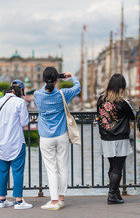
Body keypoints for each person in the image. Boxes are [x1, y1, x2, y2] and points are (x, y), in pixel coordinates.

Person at [34, 67, 81, 210]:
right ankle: (60, 198)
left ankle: (54, 200)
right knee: (63, 166)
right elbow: (77, 88)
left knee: (51, 169)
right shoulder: (63, 94)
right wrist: (71, 76)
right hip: (61, 135)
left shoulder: (37, 94)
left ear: (43, 80)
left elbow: (45, 88)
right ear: (56, 80)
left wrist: (51, 81)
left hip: (46, 137)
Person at [97, 74, 135, 204]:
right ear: (122, 86)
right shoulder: (122, 102)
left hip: (106, 137)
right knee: (118, 168)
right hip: (120, 137)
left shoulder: (100, 100)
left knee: (112, 167)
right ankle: (112, 194)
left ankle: (116, 192)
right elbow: (134, 116)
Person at [0, 80, 33, 210]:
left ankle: (2, 200)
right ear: (20, 90)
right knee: (17, 171)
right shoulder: (20, 102)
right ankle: (18, 201)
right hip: (15, 142)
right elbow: (24, 122)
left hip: (0, 142)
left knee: (2, 171)